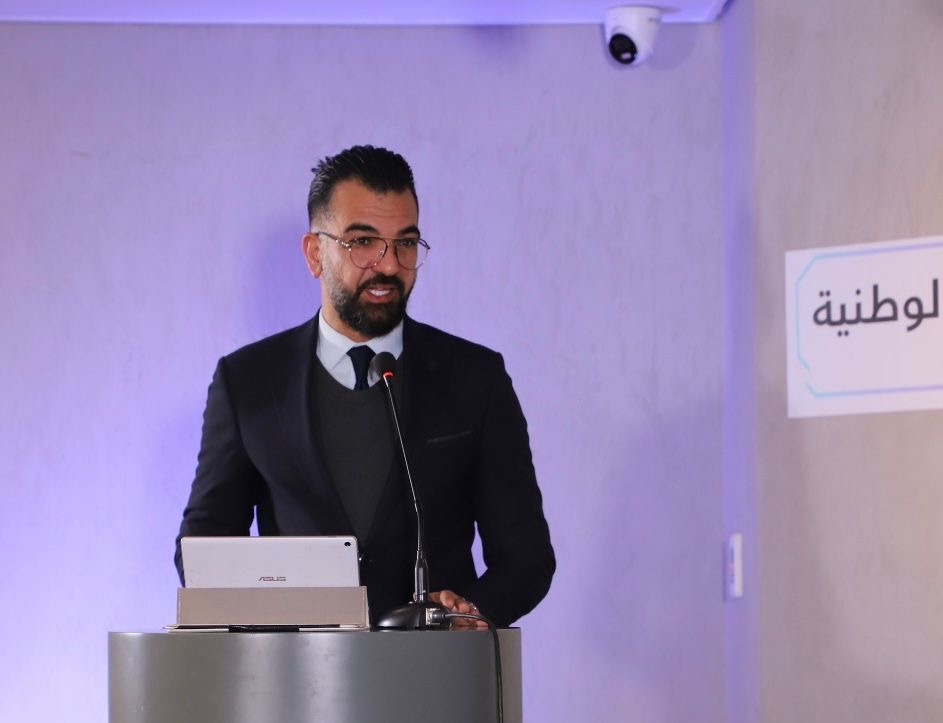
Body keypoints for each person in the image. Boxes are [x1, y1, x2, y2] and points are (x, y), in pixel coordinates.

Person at [174, 145, 554, 627]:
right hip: (296, 666)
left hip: (437, 668)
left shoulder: (476, 378)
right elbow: (203, 550)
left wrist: (467, 614)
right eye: (363, 242)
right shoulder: (247, 381)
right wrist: (270, 615)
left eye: (405, 243)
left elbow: (527, 557)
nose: (389, 265)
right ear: (315, 253)